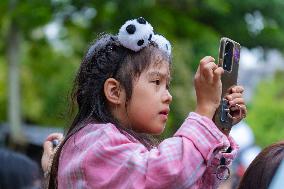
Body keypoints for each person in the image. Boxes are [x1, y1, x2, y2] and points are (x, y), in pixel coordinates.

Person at [47, 17, 247, 189]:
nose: (168, 96)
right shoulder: (95, 143)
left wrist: (218, 127)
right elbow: (167, 175)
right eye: (156, 82)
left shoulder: (122, 145)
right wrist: (203, 110)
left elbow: (188, 183)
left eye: (167, 85)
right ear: (115, 91)